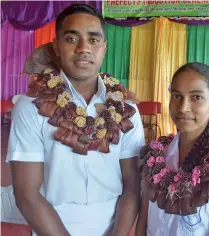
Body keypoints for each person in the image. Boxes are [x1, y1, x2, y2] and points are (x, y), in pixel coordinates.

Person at [7, 4, 144, 236]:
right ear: (57, 47)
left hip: (115, 225)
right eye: (72, 39)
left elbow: (132, 185)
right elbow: (26, 195)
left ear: (104, 48)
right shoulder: (31, 106)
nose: (84, 49)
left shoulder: (126, 108)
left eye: (93, 40)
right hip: (51, 226)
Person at [136, 63, 209, 236]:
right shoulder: (156, 156)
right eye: (176, 96)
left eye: (196, 97)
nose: (183, 107)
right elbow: (143, 222)